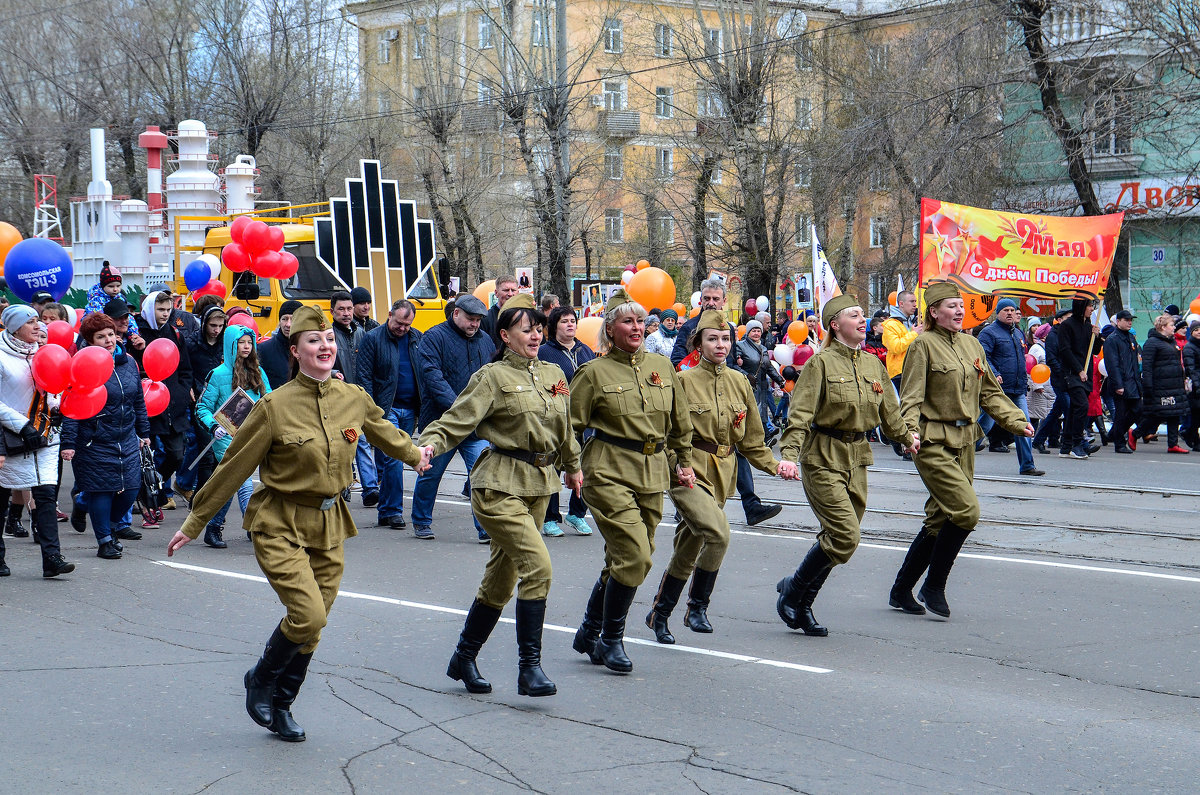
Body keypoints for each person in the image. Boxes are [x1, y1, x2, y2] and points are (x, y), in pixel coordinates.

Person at [166, 307, 433, 743]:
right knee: (307, 615)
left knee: (316, 621)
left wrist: (416, 455)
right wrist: (195, 521)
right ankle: (261, 679)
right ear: (296, 351)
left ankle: (284, 702)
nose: (325, 346)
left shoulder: (353, 398)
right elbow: (234, 465)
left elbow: (386, 432)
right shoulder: (274, 406)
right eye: (314, 341)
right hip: (280, 520)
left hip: (330, 522)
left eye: (329, 339)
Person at [418, 293, 581, 697]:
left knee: (501, 579)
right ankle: (530, 669)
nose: (536, 335)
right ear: (505, 336)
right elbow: (457, 419)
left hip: (540, 484)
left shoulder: (551, 374)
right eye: (527, 329)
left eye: (538, 329)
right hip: (498, 484)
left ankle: (464, 656)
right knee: (538, 567)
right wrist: (427, 446)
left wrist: (574, 465)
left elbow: (565, 426)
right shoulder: (491, 377)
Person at [646, 310, 794, 644]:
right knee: (718, 532)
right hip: (688, 471)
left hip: (723, 473)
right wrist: (677, 466)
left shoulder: (740, 381)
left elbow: (752, 441)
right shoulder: (683, 380)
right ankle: (697, 607)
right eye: (712, 339)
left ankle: (660, 613)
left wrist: (776, 465)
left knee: (690, 545)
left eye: (726, 338)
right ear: (698, 343)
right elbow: (666, 433)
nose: (721, 345)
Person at [888, 283, 1032, 619]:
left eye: (961, 305)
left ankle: (900, 589)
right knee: (966, 512)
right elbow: (910, 398)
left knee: (941, 518)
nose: (958, 311)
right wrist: (909, 433)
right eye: (950, 306)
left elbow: (990, 394)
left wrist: (1015, 420)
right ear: (934, 312)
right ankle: (933, 585)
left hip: (966, 441)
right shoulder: (922, 345)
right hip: (932, 441)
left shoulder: (972, 344)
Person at [570, 289, 694, 673]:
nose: (637, 327)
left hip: (652, 471)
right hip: (607, 470)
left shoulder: (662, 366)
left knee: (625, 559)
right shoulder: (593, 372)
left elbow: (679, 422)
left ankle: (590, 630)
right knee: (636, 555)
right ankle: (611, 640)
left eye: (640, 321)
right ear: (610, 328)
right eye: (628, 321)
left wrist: (683, 463)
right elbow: (568, 426)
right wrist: (570, 465)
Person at [775, 296, 915, 635]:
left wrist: (907, 438)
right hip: (822, 455)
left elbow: (889, 412)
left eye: (864, 314)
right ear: (835, 325)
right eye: (854, 315)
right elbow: (800, 414)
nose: (863, 319)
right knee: (845, 535)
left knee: (839, 538)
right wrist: (788, 456)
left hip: (858, 457)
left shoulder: (872, 364)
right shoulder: (820, 364)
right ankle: (794, 594)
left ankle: (799, 598)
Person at [670, 278, 782, 526]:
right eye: (706, 299)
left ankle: (751, 504)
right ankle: (698, 503)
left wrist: (735, 380)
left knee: (736, 445)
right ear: (701, 301)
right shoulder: (688, 327)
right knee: (712, 532)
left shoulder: (729, 328)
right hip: (698, 400)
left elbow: (729, 361)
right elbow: (676, 359)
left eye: (715, 299)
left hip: (727, 395)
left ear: (723, 302)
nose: (710, 303)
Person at [60, 313, 151, 560]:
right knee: (102, 490)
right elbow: (71, 407)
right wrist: (68, 443)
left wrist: (144, 432)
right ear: (90, 341)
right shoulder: (81, 364)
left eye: (111, 334)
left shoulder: (129, 362)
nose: (109, 340)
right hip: (94, 440)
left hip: (125, 437)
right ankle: (105, 541)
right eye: (101, 337)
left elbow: (138, 402)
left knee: (131, 489)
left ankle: (83, 503)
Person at [412, 293, 496, 540]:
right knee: (431, 474)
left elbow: (492, 376)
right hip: (442, 424)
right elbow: (432, 376)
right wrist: (459, 409)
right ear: (456, 313)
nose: (475, 325)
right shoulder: (434, 337)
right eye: (471, 319)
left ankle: (484, 529)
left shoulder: (485, 341)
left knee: (480, 477)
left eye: (479, 320)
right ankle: (421, 521)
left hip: (475, 425)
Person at [0, 305, 75, 578]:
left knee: (45, 496)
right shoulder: (1, 355)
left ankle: (52, 558)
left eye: (37, 321)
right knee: (3, 495)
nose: (37, 326)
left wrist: (56, 406)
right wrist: (21, 425)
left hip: (44, 435)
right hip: (10, 437)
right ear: (14, 326)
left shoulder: (42, 353)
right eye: (30, 321)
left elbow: (51, 388)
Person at [194, 325, 273, 547]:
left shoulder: (258, 371)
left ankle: (213, 528)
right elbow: (202, 408)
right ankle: (253, 528)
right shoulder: (217, 374)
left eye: (249, 342)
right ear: (231, 344)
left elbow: (269, 400)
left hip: (252, 434)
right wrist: (212, 426)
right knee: (244, 481)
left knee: (229, 486)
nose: (246, 347)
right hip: (225, 436)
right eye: (241, 342)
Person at [356, 299, 422, 529]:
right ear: (390, 314)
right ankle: (394, 511)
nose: (403, 328)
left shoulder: (416, 338)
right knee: (394, 457)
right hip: (386, 408)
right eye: (399, 323)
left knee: (393, 458)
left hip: (410, 409)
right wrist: (373, 413)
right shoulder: (372, 338)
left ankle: (385, 510)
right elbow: (363, 377)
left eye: (407, 324)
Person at [537, 305, 596, 537]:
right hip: (556, 418)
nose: (570, 324)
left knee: (587, 467)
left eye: (573, 320)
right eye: (564, 321)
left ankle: (576, 514)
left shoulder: (585, 350)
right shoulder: (544, 352)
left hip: (585, 419)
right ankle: (550, 518)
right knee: (554, 468)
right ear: (554, 326)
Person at [137, 291, 194, 521]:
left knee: (177, 455)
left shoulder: (175, 334)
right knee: (145, 458)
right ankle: (148, 499)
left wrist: (181, 391)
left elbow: (185, 369)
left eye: (168, 309)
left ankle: (155, 487)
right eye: (160, 309)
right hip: (147, 405)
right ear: (151, 309)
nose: (165, 314)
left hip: (173, 406)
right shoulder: (138, 334)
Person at [977, 299, 1043, 475]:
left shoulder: (1018, 333)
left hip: (1017, 389)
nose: (1009, 313)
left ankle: (1027, 465)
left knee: (1023, 425)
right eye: (1005, 310)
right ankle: (968, 446)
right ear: (998, 312)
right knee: (985, 423)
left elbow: (1021, 359)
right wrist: (994, 373)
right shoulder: (988, 333)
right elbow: (983, 357)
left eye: (1012, 310)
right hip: (997, 390)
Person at [331, 291, 375, 503]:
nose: (346, 313)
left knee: (362, 441)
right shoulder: (328, 334)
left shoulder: (360, 333)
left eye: (349, 309)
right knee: (342, 443)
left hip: (358, 396)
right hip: (336, 398)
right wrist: (332, 375)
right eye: (341, 309)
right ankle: (344, 484)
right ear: (332, 311)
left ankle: (370, 488)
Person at [1137, 313, 1190, 453]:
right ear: (1163, 327)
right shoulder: (1152, 343)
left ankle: (1173, 444)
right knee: (1158, 414)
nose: (1174, 328)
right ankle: (1135, 433)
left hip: (1174, 385)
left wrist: (1183, 378)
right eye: (1172, 325)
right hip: (1160, 386)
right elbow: (1147, 366)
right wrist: (1148, 386)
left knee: (1174, 414)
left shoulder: (1171, 341)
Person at [1056, 298, 1097, 459]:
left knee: (1074, 409)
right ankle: (1077, 443)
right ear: (1081, 307)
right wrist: (1079, 370)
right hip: (1072, 373)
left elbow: (1093, 350)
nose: (1092, 309)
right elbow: (1065, 350)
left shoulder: (1088, 326)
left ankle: (1065, 446)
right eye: (1089, 305)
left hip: (1086, 372)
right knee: (1081, 406)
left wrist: (1097, 337)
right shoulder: (1067, 325)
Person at [881, 290, 919, 458]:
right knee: (904, 410)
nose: (915, 304)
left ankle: (911, 442)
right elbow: (895, 346)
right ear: (901, 304)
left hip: (916, 370)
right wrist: (915, 334)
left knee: (915, 409)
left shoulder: (914, 322)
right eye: (911, 301)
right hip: (900, 372)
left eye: (915, 301)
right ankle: (902, 444)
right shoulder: (890, 324)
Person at [737, 319, 784, 444]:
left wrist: (779, 380)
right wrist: (746, 375)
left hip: (762, 384)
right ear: (748, 332)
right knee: (753, 412)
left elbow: (768, 367)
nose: (756, 333)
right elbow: (734, 366)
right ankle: (752, 439)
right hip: (748, 385)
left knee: (762, 412)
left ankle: (765, 438)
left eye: (758, 330)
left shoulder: (763, 348)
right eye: (753, 331)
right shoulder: (740, 346)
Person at [258, 300, 303, 390]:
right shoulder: (264, 349)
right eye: (284, 319)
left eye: (293, 319)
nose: (288, 324)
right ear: (279, 321)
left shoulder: (308, 349)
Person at [85, 262, 139, 335]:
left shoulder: (120, 297)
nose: (115, 289)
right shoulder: (96, 300)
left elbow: (129, 319)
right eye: (111, 286)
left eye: (118, 286)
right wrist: (109, 334)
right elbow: (98, 320)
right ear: (103, 286)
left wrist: (133, 334)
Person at [481, 275, 520, 347]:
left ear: (518, 293)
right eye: (506, 290)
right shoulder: (485, 319)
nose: (510, 294)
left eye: (513, 290)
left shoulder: (525, 318)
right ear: (496, 293)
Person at [1182, 320, 1200, 451]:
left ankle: (1192, 436)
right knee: (1196, 414)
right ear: (1192, 332)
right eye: (1196, 330)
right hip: (1195, 385)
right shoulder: (1189, 347)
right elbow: (1191, 368)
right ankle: (1191, 436)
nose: (1199, 332)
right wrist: (1197, 385)